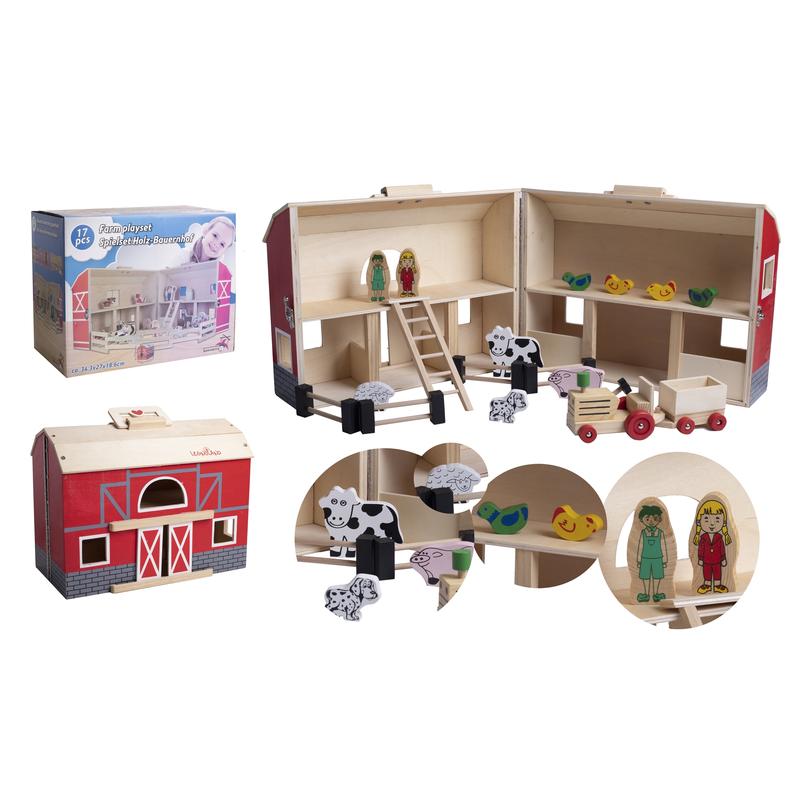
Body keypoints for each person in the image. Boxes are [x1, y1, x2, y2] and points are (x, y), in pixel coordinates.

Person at [693, 499, 731, 594]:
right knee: (706, 572)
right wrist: (700, 558)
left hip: (717, 560)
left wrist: (723, 558)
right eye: (706, 519)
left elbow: (722, 549)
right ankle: (707, 585)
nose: (712, 523)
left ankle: (718, 585)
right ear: (699, 522)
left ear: (723, 523)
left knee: (718, 572)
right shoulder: (703, 538)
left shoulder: (720, 537)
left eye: (717, 519)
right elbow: (700, 549)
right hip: (706, 561)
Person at [635, 504, 668, 602]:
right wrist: (639, 560)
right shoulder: (643, 533)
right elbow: (640, 546)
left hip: (658, 558)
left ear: (659, 520)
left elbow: (664, 547)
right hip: (645, 558)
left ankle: (656, 593)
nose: (651, 521)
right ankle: (646, 594)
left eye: (655, 519)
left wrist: (665, 560)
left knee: (657, 576)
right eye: (647, 519)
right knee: (645, 576)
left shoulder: (660, 532)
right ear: (642, 520)